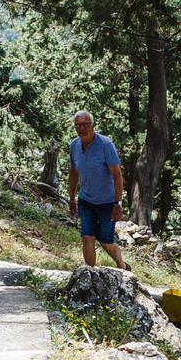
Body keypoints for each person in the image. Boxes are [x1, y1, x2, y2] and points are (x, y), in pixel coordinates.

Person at [66, 111, 127, 269]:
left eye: (85, 125)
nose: (82, 129)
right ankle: (90, 274)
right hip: (85, 200)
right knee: (87, 237)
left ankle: (122, 265)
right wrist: (71, 198)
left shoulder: (105, 145)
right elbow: (73, 172)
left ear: (92, 126)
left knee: (106, 242)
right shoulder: (74, 146)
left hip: (107, 202)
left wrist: (117, 203)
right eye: (78, 125)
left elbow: (117, 176)